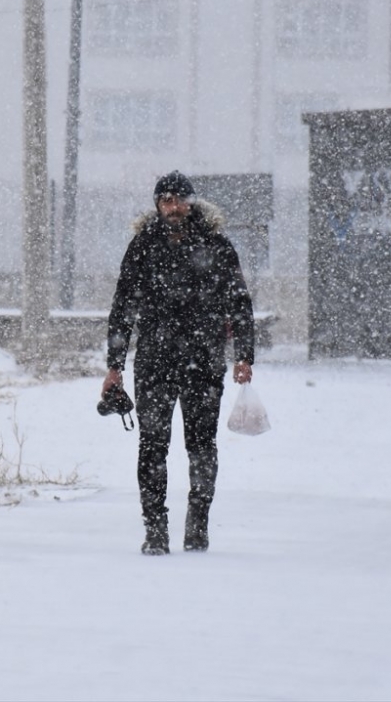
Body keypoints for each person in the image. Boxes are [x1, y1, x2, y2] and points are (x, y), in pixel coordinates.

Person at [102, 170, 255, 555]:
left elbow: (239, 302)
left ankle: (198, 524)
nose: (172, 207)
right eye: (165, 200)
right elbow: (123, 308)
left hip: (204, 361)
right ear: (157, 205)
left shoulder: (217, 245)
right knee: (152, 444)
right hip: (154, 361)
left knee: (202, 445)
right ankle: (155, 529)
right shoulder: (142, 246)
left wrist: (244, 355)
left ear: (191, 202)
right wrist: (114, 365)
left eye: (179, 200)